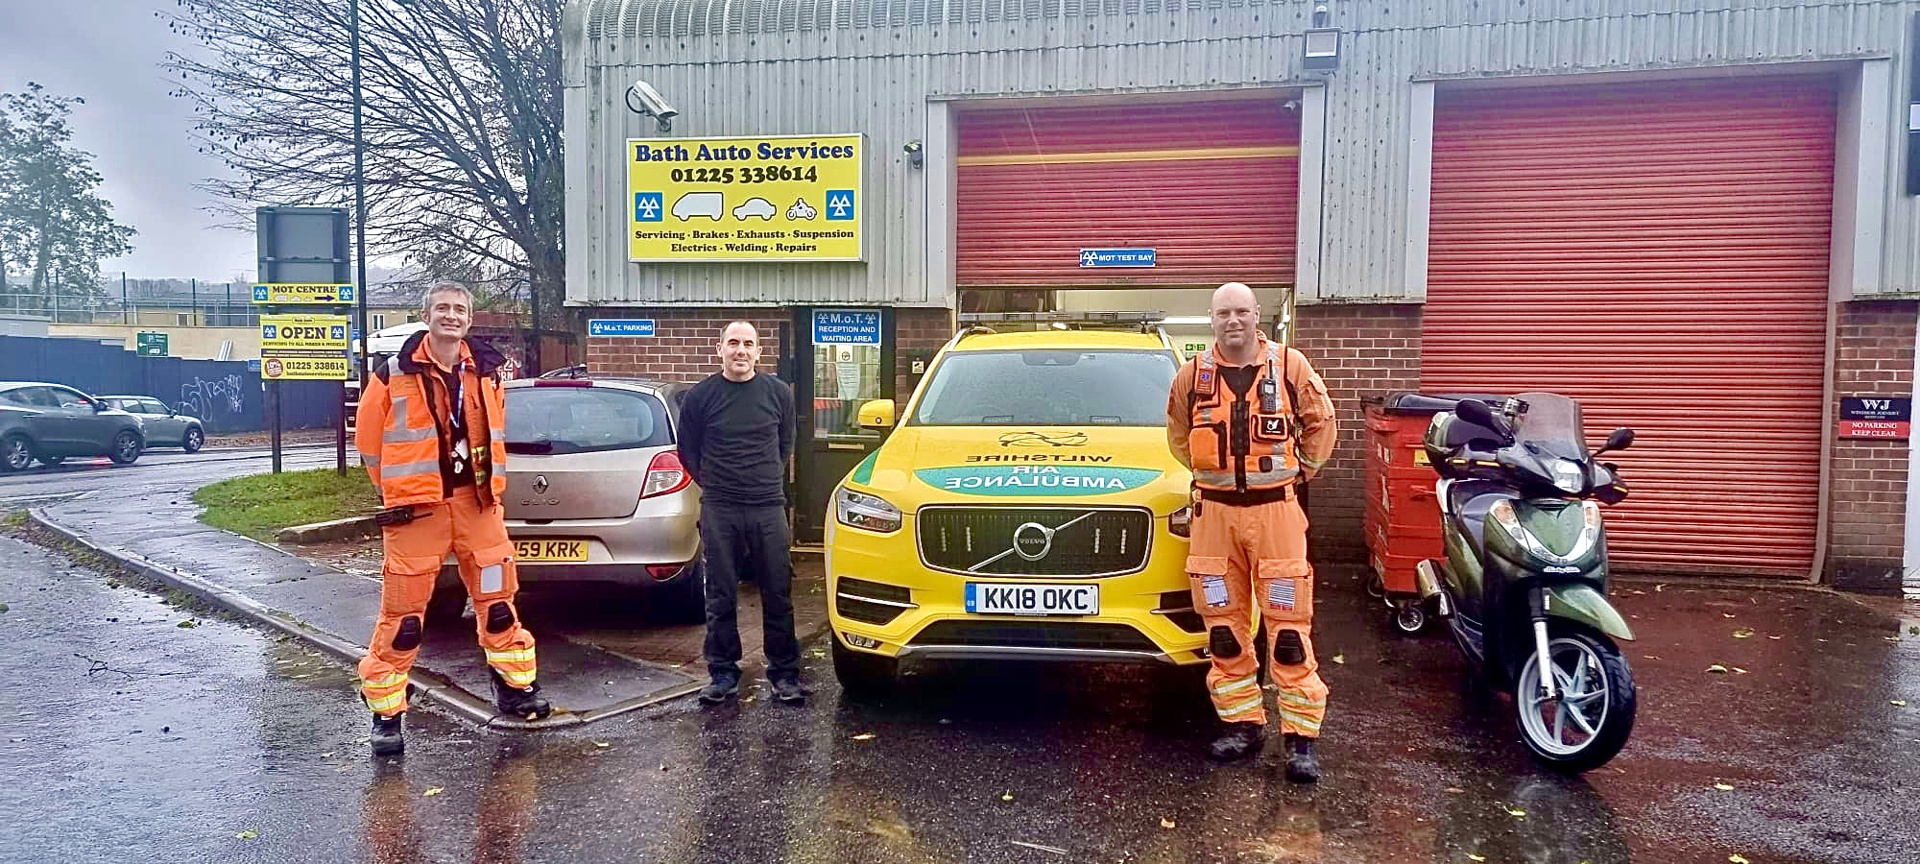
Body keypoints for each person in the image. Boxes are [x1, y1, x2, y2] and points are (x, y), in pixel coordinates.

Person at [355, 281, 549, 755]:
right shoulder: (392, 374)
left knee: (499, 604)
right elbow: (369, 443)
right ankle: (387, 714)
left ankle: (515, 690)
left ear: (470, 317)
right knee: (404, 618)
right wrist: (394, 493)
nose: (451, 315)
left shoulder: (486, 373)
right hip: (416, 511)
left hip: (477, 504)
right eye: (442, 308)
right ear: (427, 315)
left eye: (459, 309)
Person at [1166, 282, 1337, 780]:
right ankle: (1243, 724)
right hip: (1214, 517)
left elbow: (1321, 424)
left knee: (1288, 628)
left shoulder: (1290, 366)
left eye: (1241, 310)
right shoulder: (1191, 376)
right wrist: (1213, 478)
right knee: (1222, 628)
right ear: (1211, 320)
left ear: (1257, 314)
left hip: (1276, 514)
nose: (1233, 320)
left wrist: (1300, 470)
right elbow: (1177, 435)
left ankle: (1301, 739)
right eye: (1224, 313)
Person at [676, 321, 804, 706]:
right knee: (719, 593)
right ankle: (723, 673)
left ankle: (784, 674)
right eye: (733, 343)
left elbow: (786, 443)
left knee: (778, 591)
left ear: (759, 352)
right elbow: (688, 450)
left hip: (767, 506)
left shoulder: (778, 393)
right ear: (720, 350)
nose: (740, 351)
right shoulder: (701, 396)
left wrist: (765, 478)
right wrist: (715, 482)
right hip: (720, 507)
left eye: (748, 344)